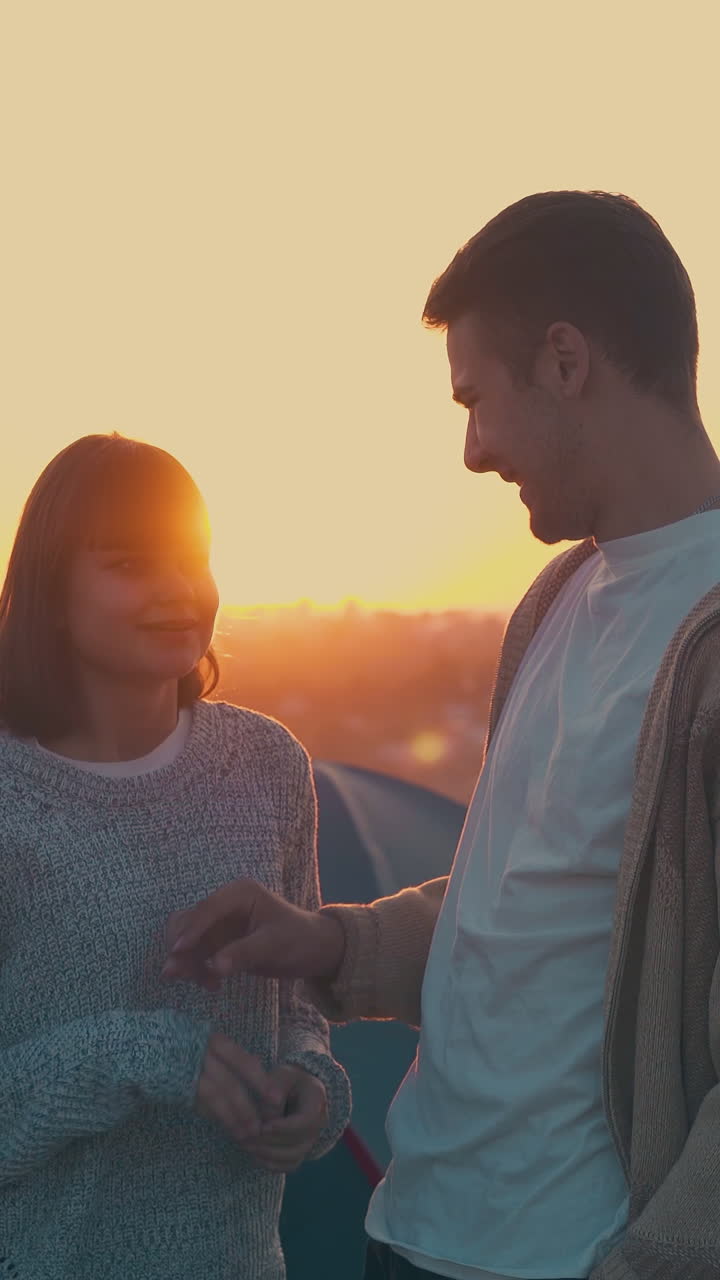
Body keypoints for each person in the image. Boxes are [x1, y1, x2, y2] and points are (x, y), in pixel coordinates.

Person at [163, 190, 720, 1280]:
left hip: (573, 1259)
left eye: (476, 399)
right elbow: (518, 905)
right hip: (415, 1230)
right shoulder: (558, 598)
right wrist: (327, 941)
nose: (470, 452)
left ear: (566, 360)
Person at [0, 433, 350, 1280]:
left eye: (194, 558)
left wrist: (311, 1082)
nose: (179, 590)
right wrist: (147, 1055)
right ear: (50, 594)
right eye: (129, 564)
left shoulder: (268, 765)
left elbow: (298, 1004)